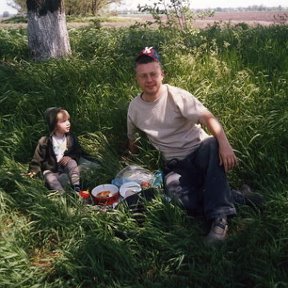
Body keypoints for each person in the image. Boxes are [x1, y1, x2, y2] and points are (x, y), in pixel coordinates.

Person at [127, 47, 251, 243]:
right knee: (181, 201)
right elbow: (132, 138)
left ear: (162, 75)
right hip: (176, 166)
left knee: (212, 143)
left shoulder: (177, 96)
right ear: (137, 78)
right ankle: (237, 196)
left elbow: (208, 117)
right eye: (144, 76)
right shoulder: (134, 108)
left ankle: (219, 220)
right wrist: (131, 158)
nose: (149, 80)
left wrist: (225, 145)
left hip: (201, 154)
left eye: (153, 74)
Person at [28, 107, 82, 194]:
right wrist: (33, 171)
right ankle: (62, 194)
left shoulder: (70, 138)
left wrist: (70, 157)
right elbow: (37, 159)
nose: (68, 123)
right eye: (63, 121)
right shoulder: (45, 141)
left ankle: (76, 187)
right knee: (47, 174)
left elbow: (78, 151)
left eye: (68, 120)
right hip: (52, 170)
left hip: (64, 166)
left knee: (72, 163)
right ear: (54, 125)